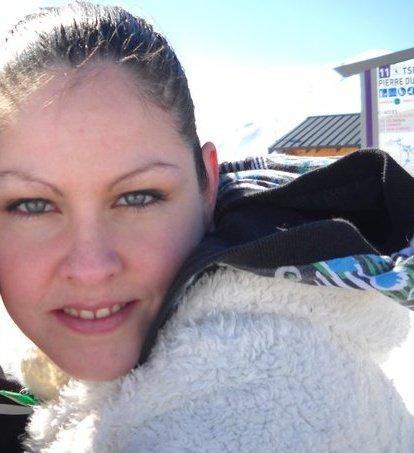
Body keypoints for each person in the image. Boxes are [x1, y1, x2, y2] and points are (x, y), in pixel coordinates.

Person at [0, 2, 413, 451]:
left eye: (138, 197)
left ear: (208, 185)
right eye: (32, 205)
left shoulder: (259, 414)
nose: (90, 267)